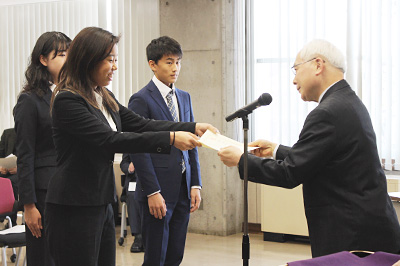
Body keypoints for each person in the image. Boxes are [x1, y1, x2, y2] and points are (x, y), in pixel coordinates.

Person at [44, 27, 215, 266]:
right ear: (88, 59)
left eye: (116, 59)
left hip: (100, 200)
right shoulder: (68, 99)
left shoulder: (102, 94)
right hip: (74, 204)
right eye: (110, 60)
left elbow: (140, 123)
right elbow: (110, 140)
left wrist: (192, 126)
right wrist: (171, 139)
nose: (115, 66)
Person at [218, 39, 400, 258]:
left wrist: (241, 160)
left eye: (295, 70)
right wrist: (276, 150)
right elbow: (325, 158)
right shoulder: (346, 101)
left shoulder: (327, 113)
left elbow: (290, 173)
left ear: (318, 65)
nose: (294, 80)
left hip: (351, 234)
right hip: (366, 226)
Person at [128, 36, 202, 266]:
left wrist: (195, 184)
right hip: (157, 191)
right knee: (155, 258)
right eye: (169, 62)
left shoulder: (184, 97)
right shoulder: (140, 99)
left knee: (175, 256)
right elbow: (139, 150)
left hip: (182, 188)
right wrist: (152, 191)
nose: (175, 68)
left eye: (178, 62)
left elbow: (191, 144)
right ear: (153, 64)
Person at [14, 31, 71, 266]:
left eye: (69, 54)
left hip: (69, 189)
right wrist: (28, 205)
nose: (66, 60)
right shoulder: (30, 100)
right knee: (44, 258)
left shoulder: (69, 95)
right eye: (60, 55)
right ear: (43, 59)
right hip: (43, 193)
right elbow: (24, 155)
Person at [119, 153, 144, 253]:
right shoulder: (130, 141)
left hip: (152, 182)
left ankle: (149, 236)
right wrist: (129, 168)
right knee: (132, 196)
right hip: (134, 182)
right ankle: (138, 236)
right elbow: (123, 163)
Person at [0, 128, 18, 225]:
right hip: (5, 171)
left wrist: (20, 167)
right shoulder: (7, 133)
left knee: (11, 182)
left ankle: (12, 216)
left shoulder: (34, 133)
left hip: (23, 172)